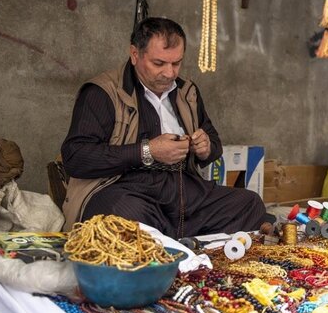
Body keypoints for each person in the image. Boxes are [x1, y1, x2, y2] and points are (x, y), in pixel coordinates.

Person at [61, 17, 266, 238]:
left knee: (249, 204)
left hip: (182, 191)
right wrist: (148, 151)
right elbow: (76, 157)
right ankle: (169, 248)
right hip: (125, 190)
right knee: (126, 218)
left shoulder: (187, 92)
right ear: (135, 54)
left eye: (176, 63)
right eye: (159, 64)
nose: (170, 73)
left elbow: (213, 142)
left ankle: (182, 253)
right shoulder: (102, 92)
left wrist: (206, 147)